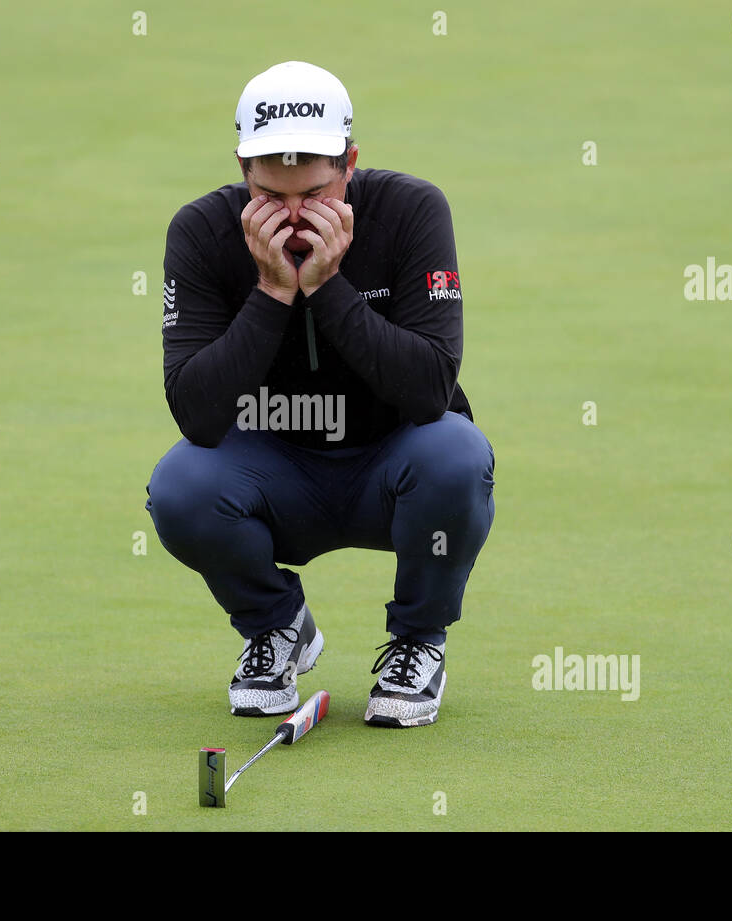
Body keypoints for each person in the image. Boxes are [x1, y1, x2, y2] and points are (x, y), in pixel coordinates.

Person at [146, 61, 494, 728]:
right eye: (269, 195)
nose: (295, 216)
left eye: (314, 191)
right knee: (179, 485)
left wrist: (329, 289)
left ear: (350, 163)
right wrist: (274, 292)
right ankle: (276, 625)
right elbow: (197, 412)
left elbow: (429, 388)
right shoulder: (200, 231)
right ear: (242, 170)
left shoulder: (413, 211)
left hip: (393, 466)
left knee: (457, 453)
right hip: (271, 473)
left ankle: (418, 641)